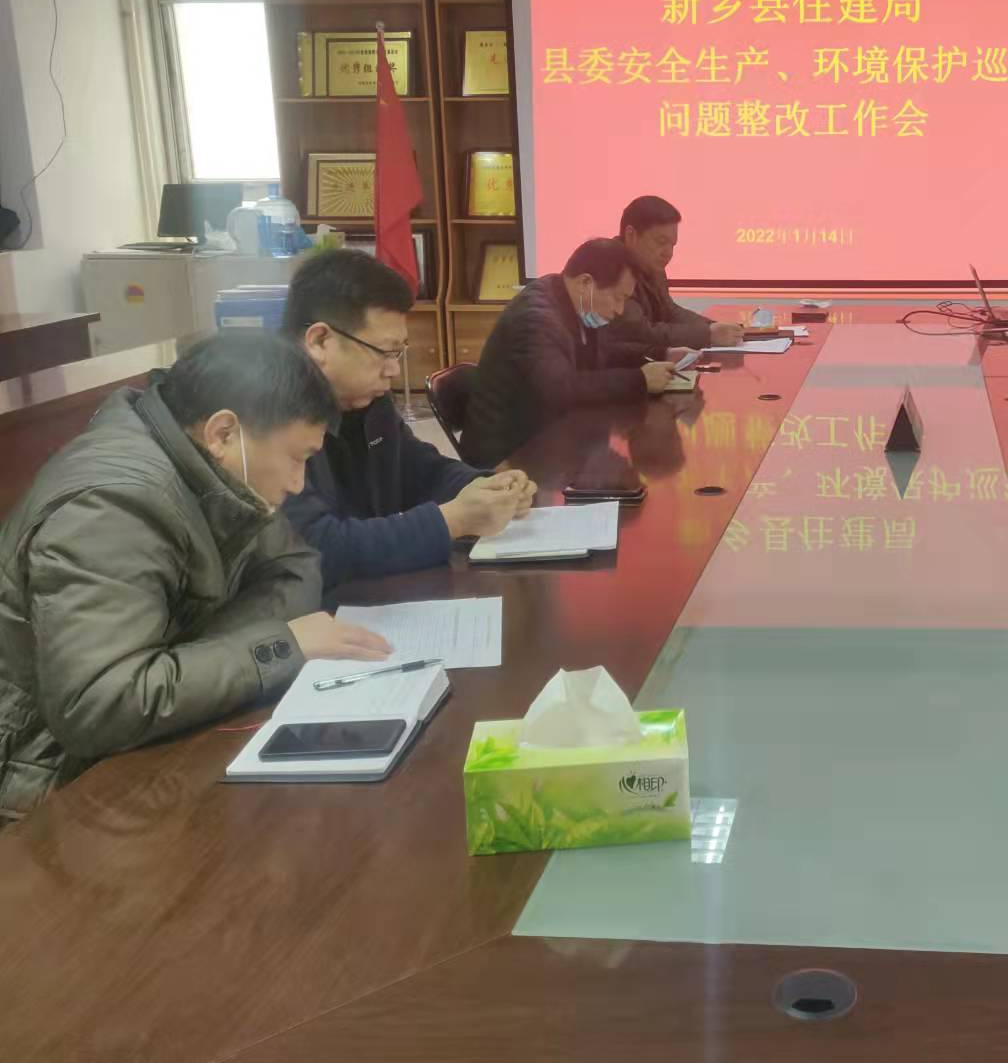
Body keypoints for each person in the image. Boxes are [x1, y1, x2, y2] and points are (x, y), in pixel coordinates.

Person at [0, 331, 392, 824]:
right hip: (47, 788)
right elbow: (100, 703)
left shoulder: (217, 470)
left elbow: (296, 566)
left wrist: (193, 666)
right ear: (223, 433)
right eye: (297, 459)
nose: (298, 483)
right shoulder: (111, 505)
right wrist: (279, 647)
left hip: (143, 745)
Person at [281, 248, 536, 591]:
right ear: (320, 341)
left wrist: (487, 486)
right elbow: (316, 550)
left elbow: (418, 469)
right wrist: (451, 521)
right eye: (383, 352)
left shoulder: (366, 399)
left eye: (397, 352)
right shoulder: (265, 416)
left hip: (374, 593)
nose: (394, 370)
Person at [460, 237, 681, 468]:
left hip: (552, 437)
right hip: (509, 456)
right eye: (618, 297)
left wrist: (662, 353)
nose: (619, 310)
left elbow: (607, 351)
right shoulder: (536, 318)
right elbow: (560, 389)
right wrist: (640, 380)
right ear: (586, 283)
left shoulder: (572, 301)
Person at [602, 195, 743, 361]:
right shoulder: (610, 268)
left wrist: (712, 326)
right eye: (661, 242)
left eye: (672, 245)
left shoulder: (651, 265)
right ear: (631, 235)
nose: (668, 253)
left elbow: (669, 311)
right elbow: (639, 332)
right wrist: (707, 334)